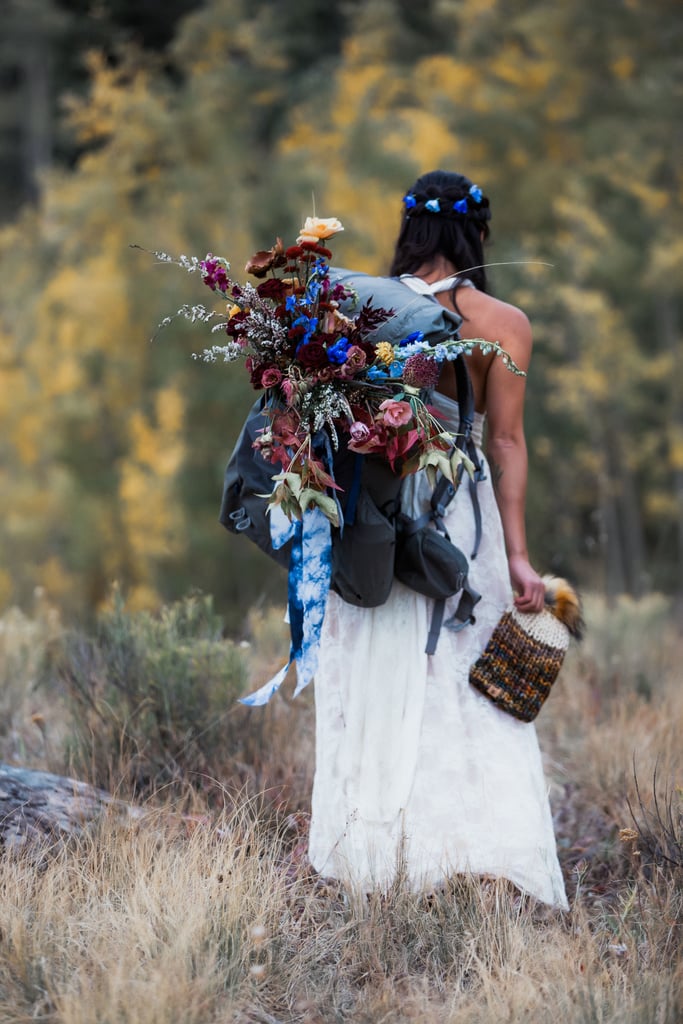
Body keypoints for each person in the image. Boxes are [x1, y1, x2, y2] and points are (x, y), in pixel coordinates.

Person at [307, 169, 568, 910]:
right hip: (458, 513)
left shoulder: (353, 303)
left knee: (373, 662)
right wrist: (516, 554)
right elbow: (507, 443)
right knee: (460, 670)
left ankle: (373, 851)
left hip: (369, 511)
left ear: (408, 231)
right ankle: (474, 851)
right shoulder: (502, 321)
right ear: (475, 235)